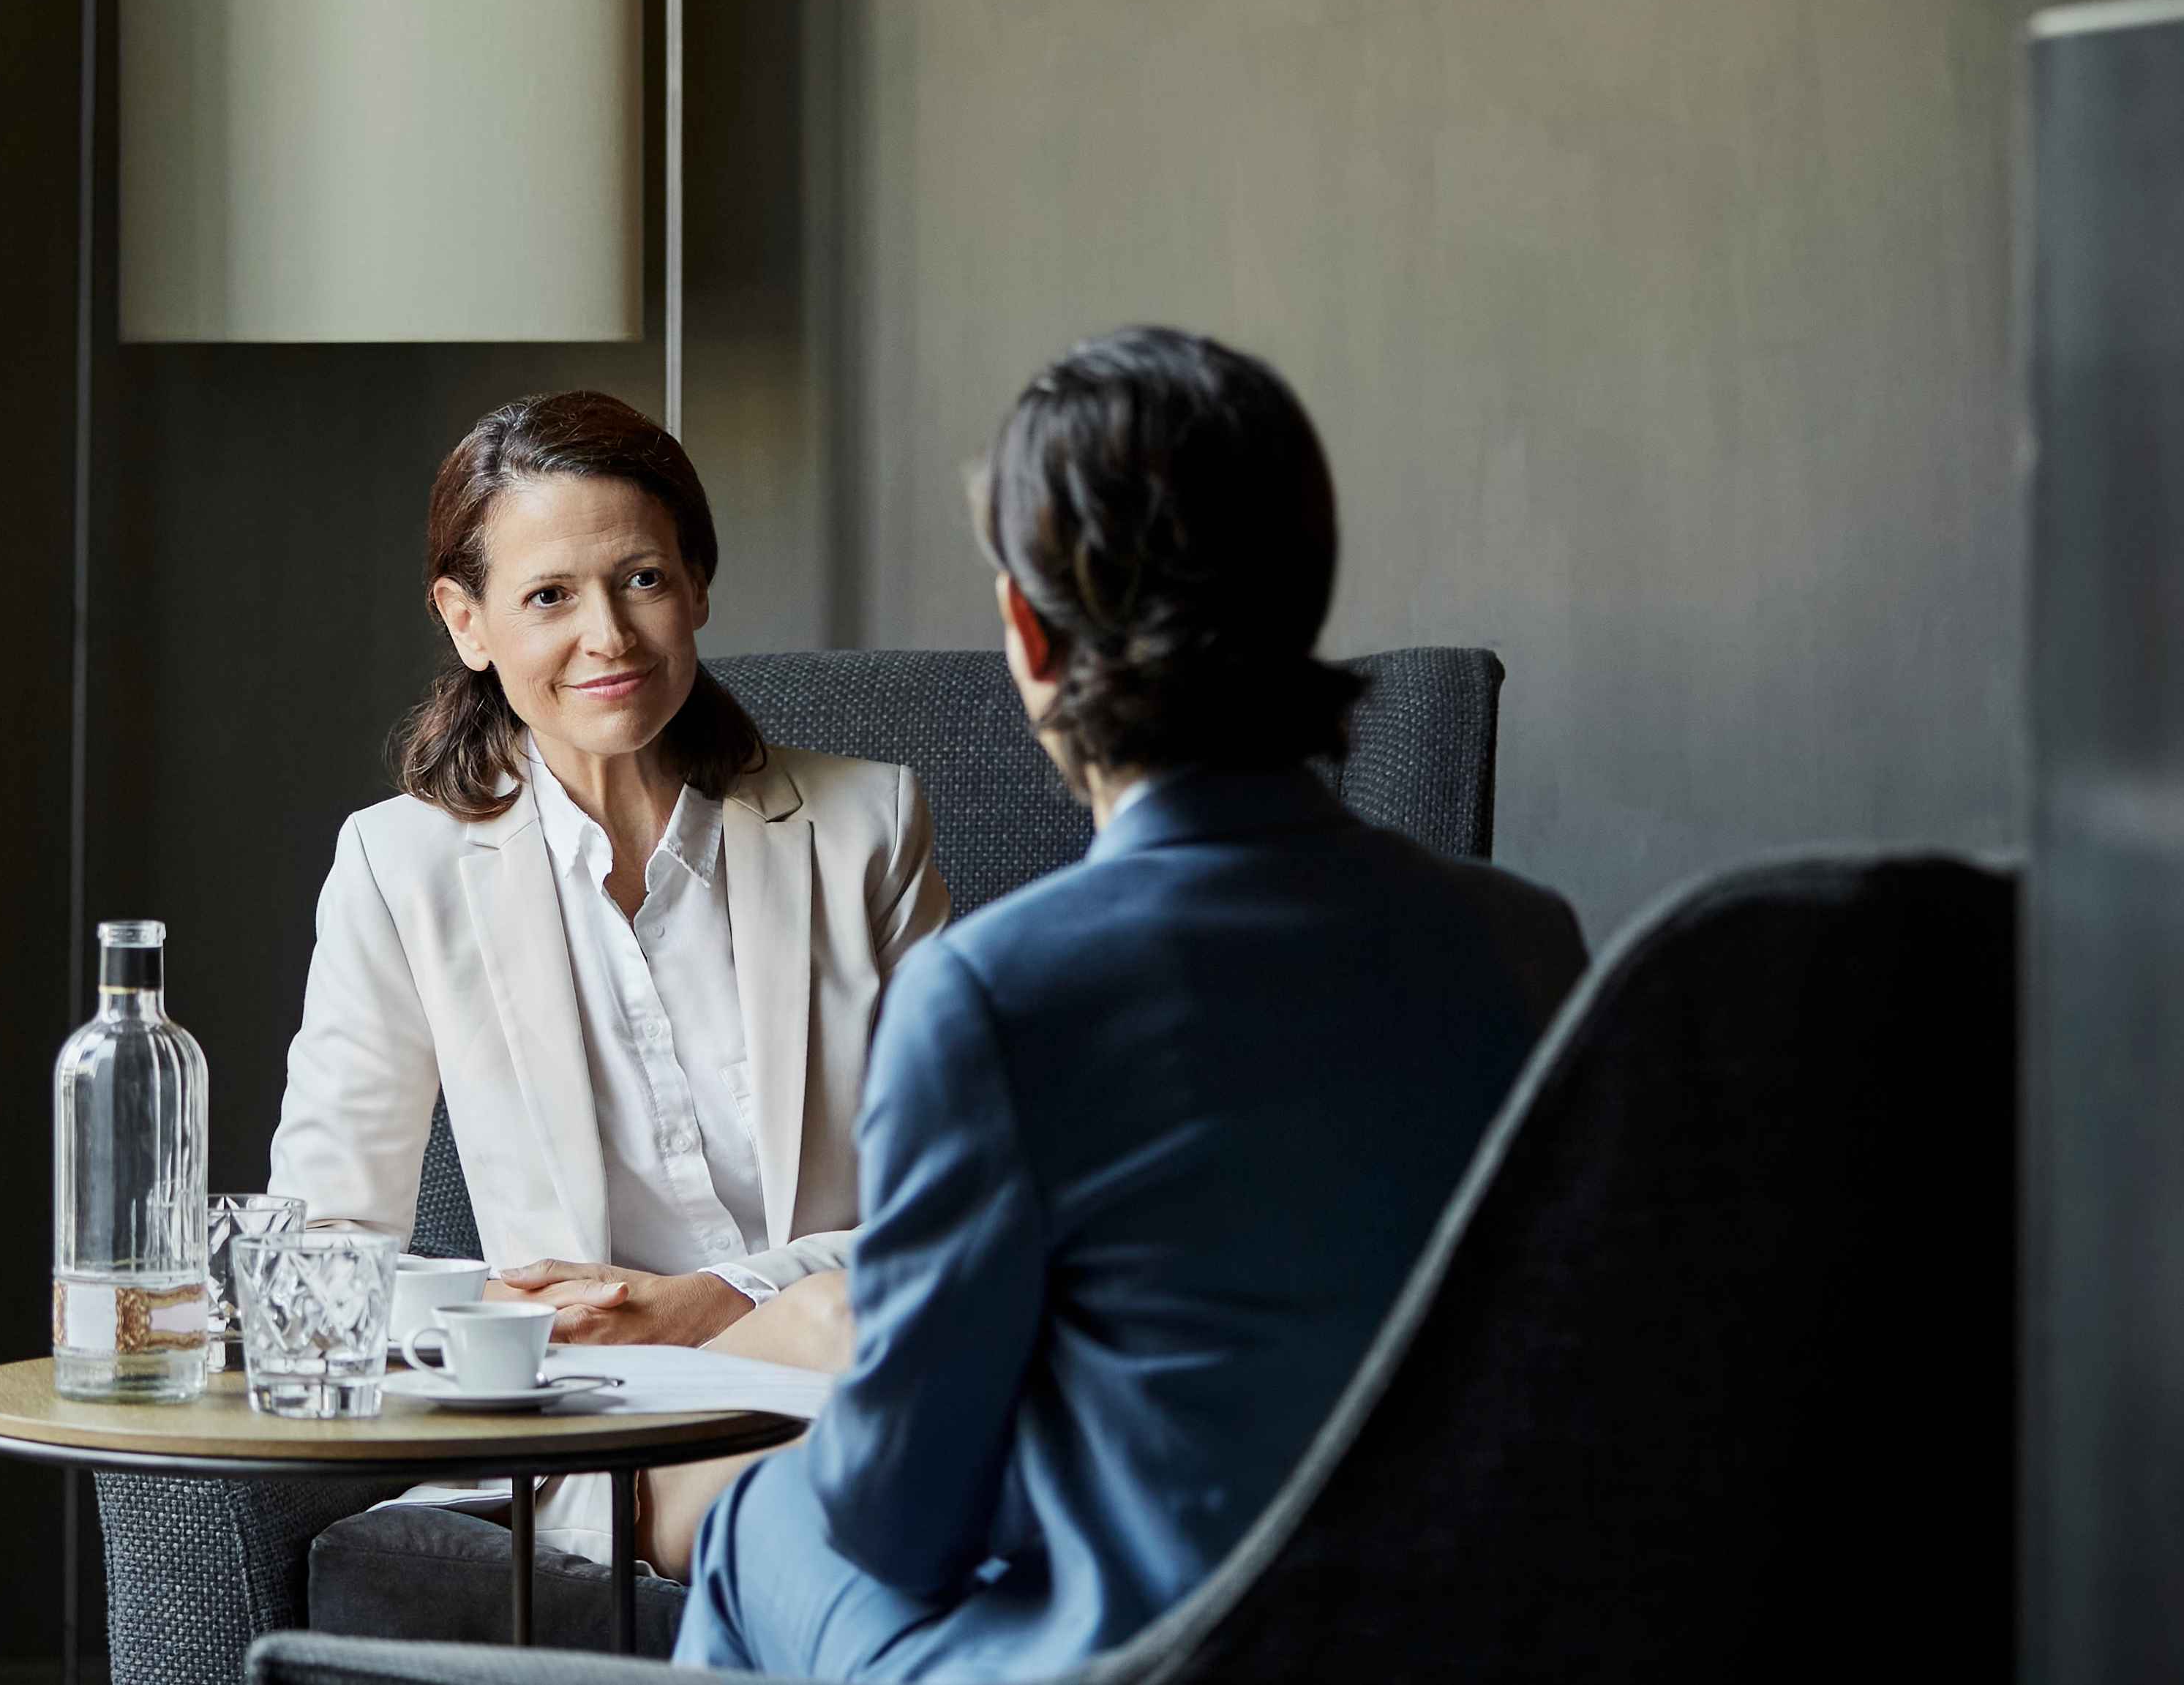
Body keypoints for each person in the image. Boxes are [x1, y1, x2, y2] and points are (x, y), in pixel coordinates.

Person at [669, 328, 1587, 1678]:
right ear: (1303, 601)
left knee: (756, 1527)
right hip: (1450, 1637)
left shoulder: (993, 992)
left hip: (1141, 1656)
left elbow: (895, 1521)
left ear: (1030, 635)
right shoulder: (1527, 939)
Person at [270, 389, 949, 1362]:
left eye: (641, 578)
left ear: (697, 585)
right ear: (469, 622)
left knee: (846, 1329)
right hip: (585, 1422)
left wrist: (720, 1301)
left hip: (854, 1368)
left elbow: (953, 1201)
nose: (610, 637)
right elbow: (321, 1249)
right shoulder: (400, 867)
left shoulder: (866, 827)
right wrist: (495, 1316)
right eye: (550, 595)